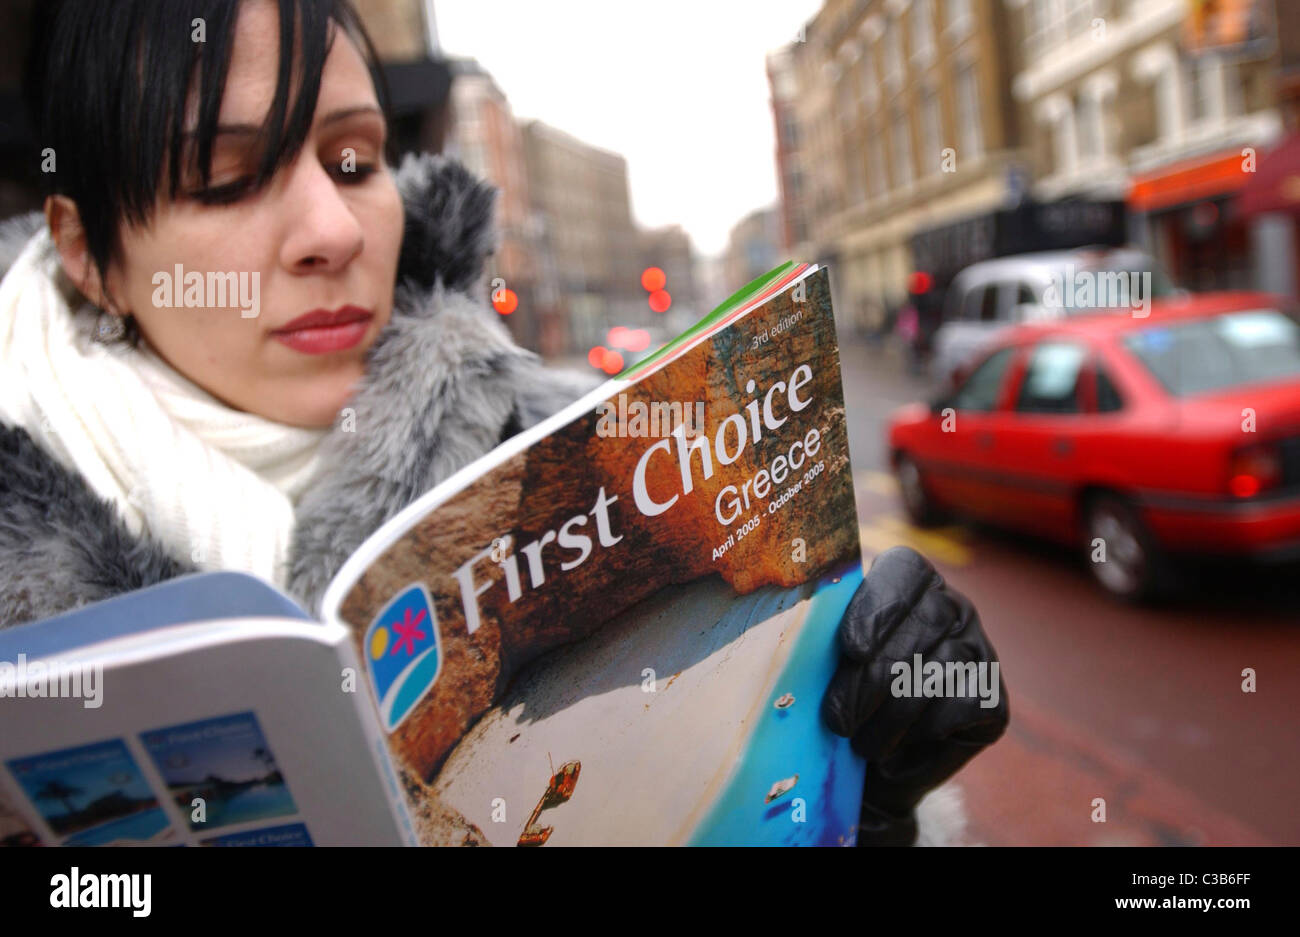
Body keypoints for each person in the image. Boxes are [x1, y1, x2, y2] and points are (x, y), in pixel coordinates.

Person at [0, 0, 1006, 845]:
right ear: (85, 249)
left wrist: (868, 802)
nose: (333, 229)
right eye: (223, 176)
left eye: (353, 160)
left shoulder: (575, 445)